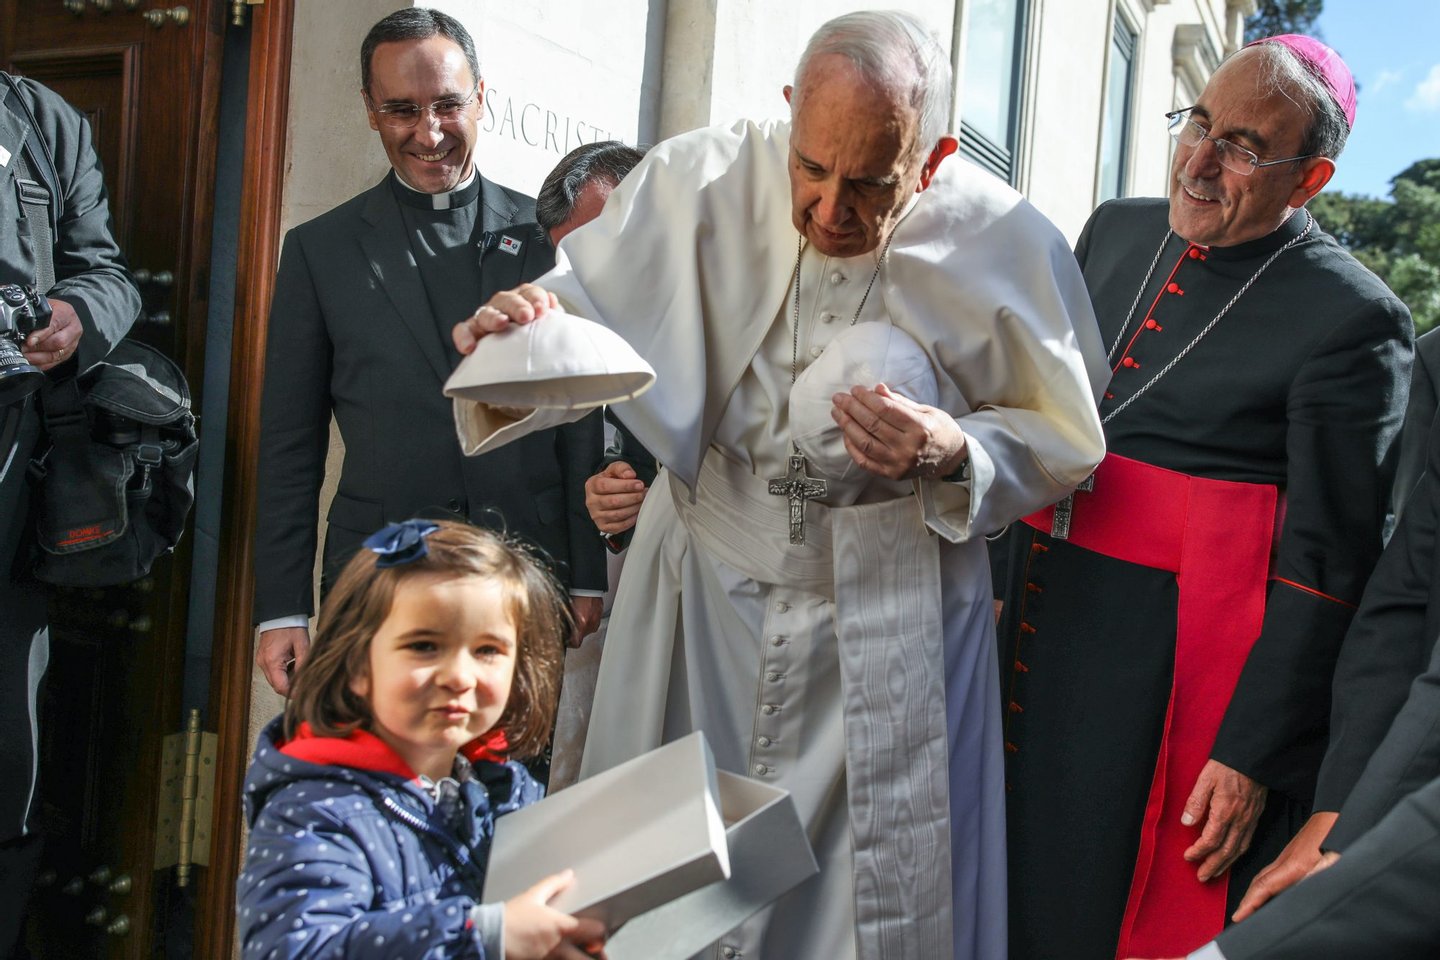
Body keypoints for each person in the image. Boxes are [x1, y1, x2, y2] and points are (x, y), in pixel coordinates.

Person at [452, 12, 1107, 959]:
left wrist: (953, 450)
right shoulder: (698, 181)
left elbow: (1063, 438)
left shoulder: (1003, 241)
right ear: (791, 111)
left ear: (934, 159)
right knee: (659, 906)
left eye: (871, 183)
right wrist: (513, 333)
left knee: (850, 917)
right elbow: (580, 322)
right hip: (702, 597)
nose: (831, 209)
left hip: (889, 615)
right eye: (811, 167)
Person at [991, 35, 1413, 960]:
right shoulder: (1115, 229)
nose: (1200, 163)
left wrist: (1254, 748)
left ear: (1309, 181)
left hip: (1159, 671)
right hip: (1029, 610)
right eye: (1199, 126)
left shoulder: (1355, 318)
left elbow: (1328, 566)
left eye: (1246, 148)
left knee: (1091, 901)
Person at [252, 7, 606, 698]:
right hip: (378, 576)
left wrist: (585, 568)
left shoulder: (545, 240)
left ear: (482, 97)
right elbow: (288, 442)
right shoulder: (318, 250)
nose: (430, 131)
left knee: (508, 792)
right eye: (402, 110)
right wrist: (282, 607)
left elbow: (579, 415)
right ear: (369, 111)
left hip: (524, 568)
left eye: (448, 104)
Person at [237, 519, 607, 959]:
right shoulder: (315, 811)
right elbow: (296, 950)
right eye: (425, 647)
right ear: (356, 664)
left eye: (488, 650)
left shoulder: (503, 789)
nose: (459, 676)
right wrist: (486, 936)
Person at [0, 72, 140, 953]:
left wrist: (76, 313)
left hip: (13, 492)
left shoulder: (41, 118)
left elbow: (108, 273)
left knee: (8, 769)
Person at [531, 140, 651, 790]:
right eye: (569, 255)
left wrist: (645, 496)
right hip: (582, 591)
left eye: (599, 245)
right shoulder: (556, 309)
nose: (588, 274)